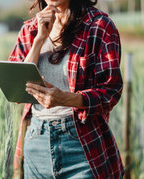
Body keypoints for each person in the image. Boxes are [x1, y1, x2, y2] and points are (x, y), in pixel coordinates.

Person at [8, 0, 124, 178]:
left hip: (82, 143)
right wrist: (39, 39)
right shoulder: (30, 30)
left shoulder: (99, 26)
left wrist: (66, 99)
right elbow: (16, 89)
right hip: (36, 141)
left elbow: (111, 91)